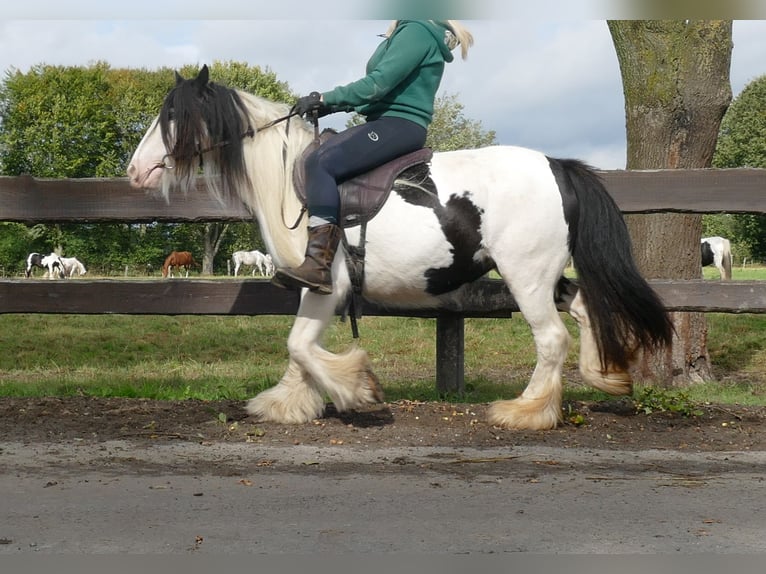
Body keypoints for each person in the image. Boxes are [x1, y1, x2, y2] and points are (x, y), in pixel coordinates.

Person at [272, 19, 474, 295]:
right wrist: (329, 108)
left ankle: (319, 264)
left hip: (397, 124)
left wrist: (326, 98)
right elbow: (382, 91)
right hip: (385, 122)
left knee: (320, 163)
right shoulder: (413, 28)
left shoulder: (416, 30)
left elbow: (378, 84)